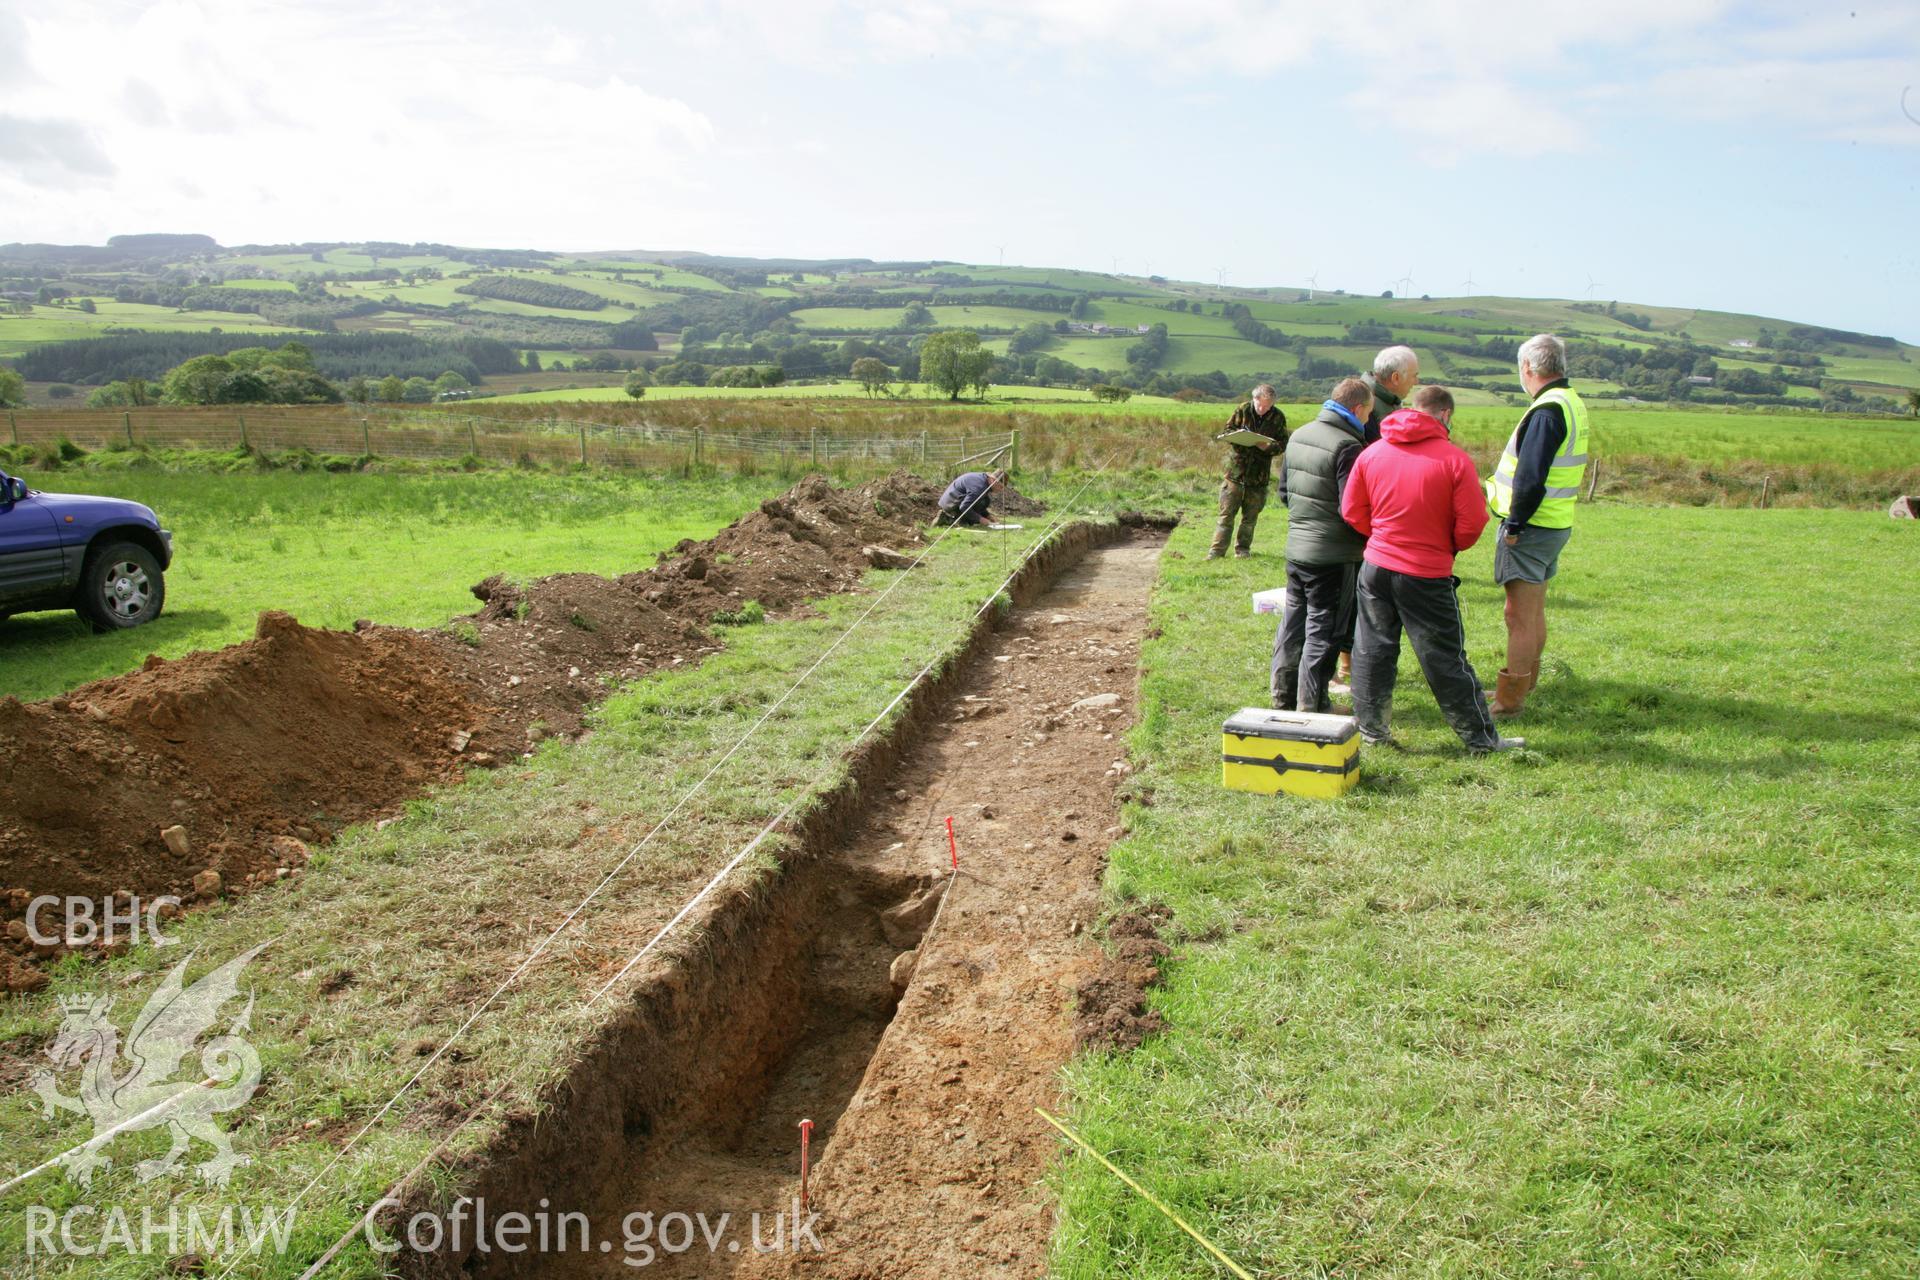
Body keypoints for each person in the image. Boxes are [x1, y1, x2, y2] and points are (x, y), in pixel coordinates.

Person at [1341, 385, 1524, 754]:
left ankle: (1373, 733)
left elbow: (1351, 511)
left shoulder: (1372, 452)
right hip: (1426, 572)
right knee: (1444, 657)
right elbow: (1472, 523)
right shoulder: (1454, 461)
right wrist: (1446, 547)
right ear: (1445, 416)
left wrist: (1380, 537)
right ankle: (1482, 740)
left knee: (1372, 652)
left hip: (1376, 566)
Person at [1485, 334, 1588, 717]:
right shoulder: (1570, 401)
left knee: (1518, 616)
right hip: (1556, 522)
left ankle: (1509, 700)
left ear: (1527, 368)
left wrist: (1514, 524)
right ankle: (1524, 682)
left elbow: (1530, 476)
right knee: (1534, 610)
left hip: (1533, 525)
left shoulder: (1545, 410)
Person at [1269, 377, 1373, 713]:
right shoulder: (1348, 445)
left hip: (1297, 549)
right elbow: (1351, 508)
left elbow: (1284, 493)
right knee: (1323, 631)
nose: (1369, 420)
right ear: (1357, 409)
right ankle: (1312, 704)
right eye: (1369, 413)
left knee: (1292, 626)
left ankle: (1282, 696)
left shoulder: (1299, 435)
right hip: (1334, 555)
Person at [1330, 344, 1421, 690]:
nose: (1415, 382)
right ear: (1395, 377)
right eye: (1413, 376)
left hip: (1370, 514)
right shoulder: (1370, 404)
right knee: (1353, 594)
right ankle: (1348, 664)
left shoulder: (1380, 400)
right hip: (1363, 514)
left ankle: (1353, 663)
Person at [1207, 383, 1286, 559]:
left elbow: (1283, 444)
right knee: (1226, 515)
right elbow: (1227, 431)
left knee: (1250, 518)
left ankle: (1243, 550)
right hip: (1235, 473)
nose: (1263, 409)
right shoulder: (1242, 410)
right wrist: (1239, 437)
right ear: (1254, 399)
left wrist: (1268, 447)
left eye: (1268, 406)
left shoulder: (1278, 417)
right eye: (1260, 405)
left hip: (1259, 476)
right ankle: (1216, 551)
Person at [936, 469, 1007, 526]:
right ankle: (949, 519)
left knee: (985, 501)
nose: (1001, 490)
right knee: (981, 503)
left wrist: (988, 516)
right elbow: (964, 506)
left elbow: (977, 501)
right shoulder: (979, 487)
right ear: (993, 480)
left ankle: (962, 520)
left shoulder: (984, 481)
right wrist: (981, 519)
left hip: (955, 500)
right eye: (1000, 487)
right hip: (950, 503)